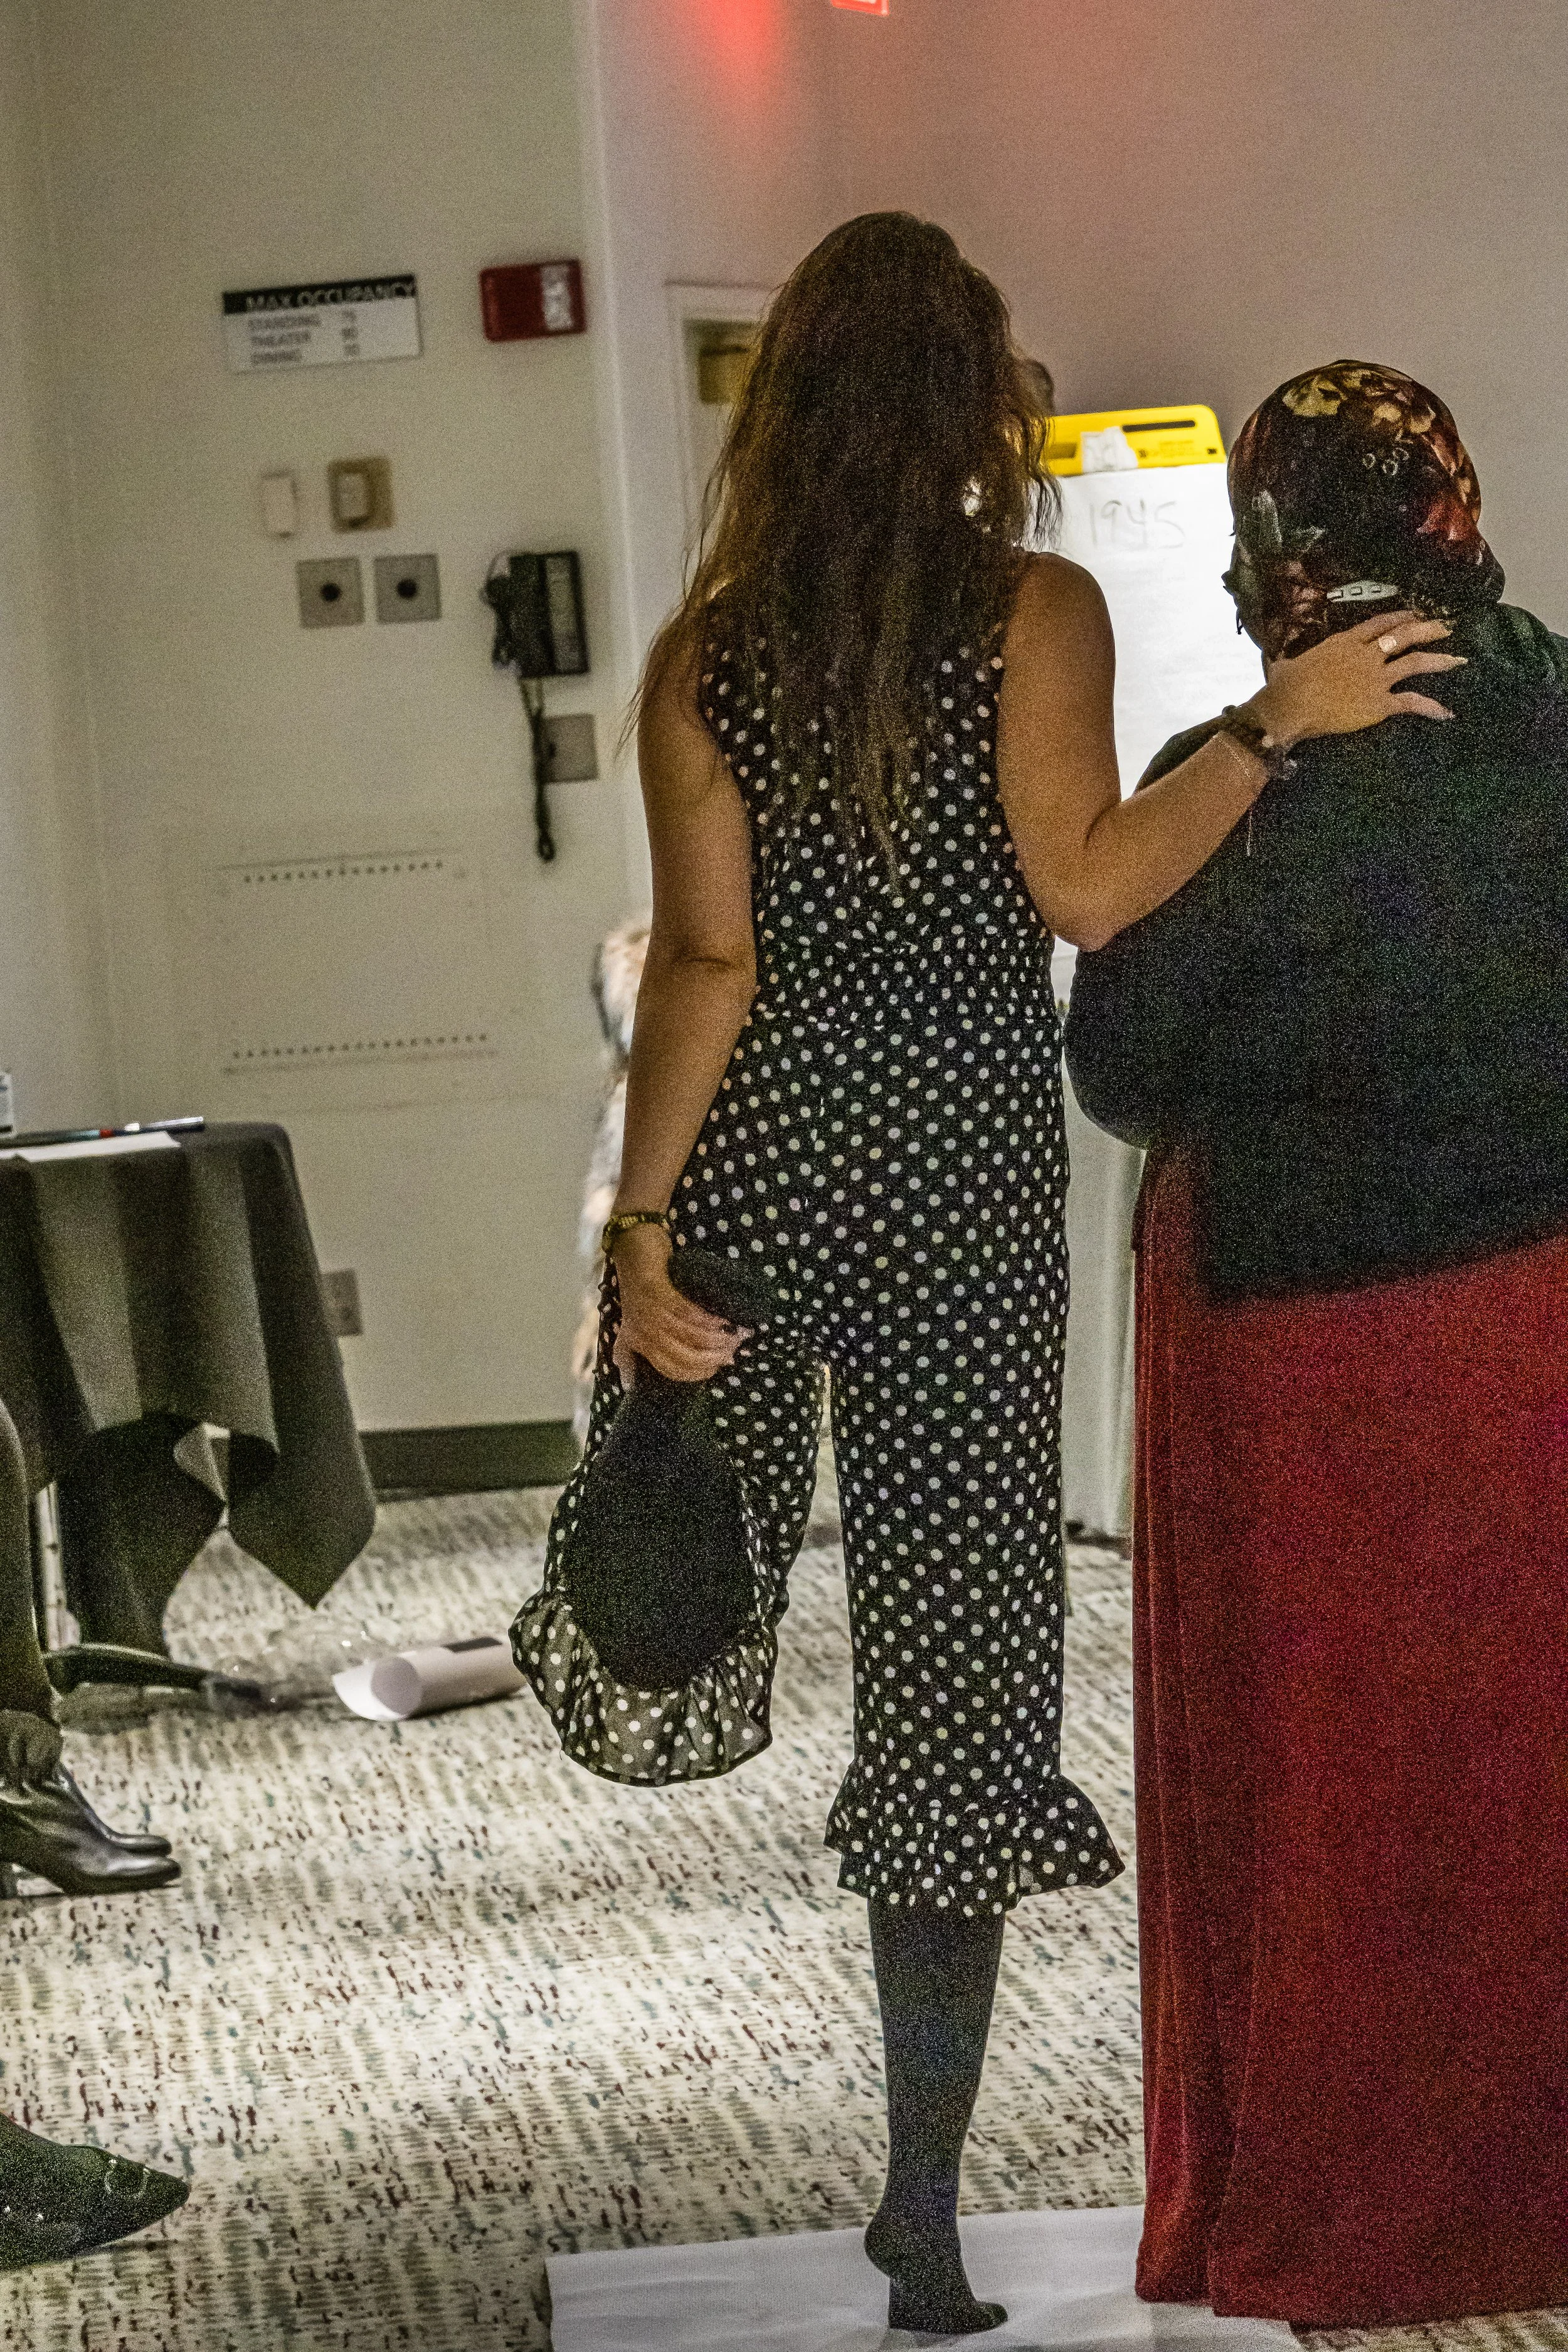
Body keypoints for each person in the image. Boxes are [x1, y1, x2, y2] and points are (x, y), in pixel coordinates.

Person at [517, 227, 1458, 2338]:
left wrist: (635, 1236)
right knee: (958, 1668)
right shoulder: (1029, 612)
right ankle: (920, 2207)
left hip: (758, 1161)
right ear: (973, 402)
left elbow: (705, 965)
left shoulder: (705, 655)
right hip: (953, 1186)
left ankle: (647, 1525)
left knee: (674, 1551)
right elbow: (1085, 880)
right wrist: (1271, 724)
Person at [1064, 361, 1568, 2328]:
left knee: (1337, 1788)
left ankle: (1352, 2207)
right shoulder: (1556, 716)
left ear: (1275, 541)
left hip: (1299, 1349)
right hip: (1537, 1317)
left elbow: (1118, 1063)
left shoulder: (1249, 758)